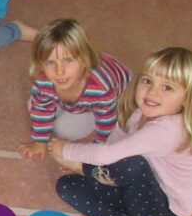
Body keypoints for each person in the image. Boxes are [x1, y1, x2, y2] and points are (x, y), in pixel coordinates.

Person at [49, 47, 192, 216]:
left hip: (161, 210)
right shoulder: (140, 111)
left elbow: (109, 155)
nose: (152, 92)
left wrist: (69, 153)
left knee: (133, 164)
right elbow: (114, 142)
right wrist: (95, 169)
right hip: (133, 190)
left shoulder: (167, 131)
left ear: (187, 99)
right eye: (147, 81)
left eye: (167, 87)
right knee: (67, 186)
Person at [18, 19, 131, 160]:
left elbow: (106, 126)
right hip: (78, 96)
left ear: (84, 60)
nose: (60, 71)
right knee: (34, 105)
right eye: (50, 62)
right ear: (41, 64)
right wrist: (40, 142)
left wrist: (91, 157)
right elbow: (41, 108)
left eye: (68, 60)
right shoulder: (43, 79)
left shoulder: (102, 89)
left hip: (112, 93)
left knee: (65, 130)